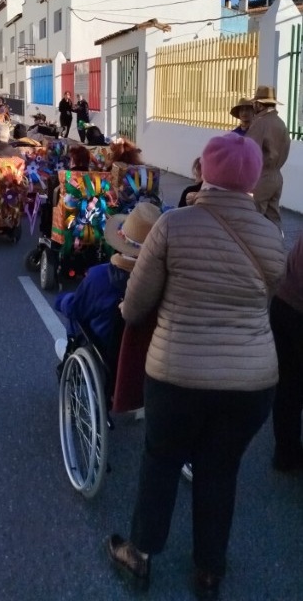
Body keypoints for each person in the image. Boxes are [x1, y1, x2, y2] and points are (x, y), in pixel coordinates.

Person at [105, 132, 286, 599]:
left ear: (204, 170)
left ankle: (140, 553)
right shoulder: (272, 235)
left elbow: (137, 304)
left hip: (178, 374)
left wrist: (128, 311)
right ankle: (209, 570)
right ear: (252, 180)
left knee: (162, 459)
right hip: (251, 382)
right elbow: (264, 300)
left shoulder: (173, 226)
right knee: (220, 470)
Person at [54, 203, 162, 379]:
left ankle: (69, 353)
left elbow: (76, 309)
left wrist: (61, 301)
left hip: (106, 358)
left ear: (122, 239)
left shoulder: (100, 276)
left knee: (75, 312)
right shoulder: (165, 281)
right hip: (151, 359)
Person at [269, 231, 303, 474]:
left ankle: (285, 454)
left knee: (288, 387)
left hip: (284, 302)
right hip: (295, 311)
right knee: (290, 387)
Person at [246, 85, 291, 228]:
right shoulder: (281, 123)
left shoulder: (260, 123)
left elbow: (248, 151)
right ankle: (278, 242)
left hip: (262, 177)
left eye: (255, 103)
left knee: (253, 218)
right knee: (273, 218)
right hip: (277, 176)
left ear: (259, 105)